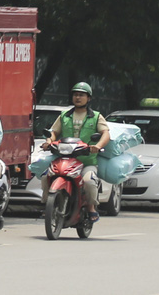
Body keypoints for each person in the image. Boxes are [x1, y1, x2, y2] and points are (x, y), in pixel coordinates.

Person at [50, 83, 111, 223]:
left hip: (87, 161)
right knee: (47, 175)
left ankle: (91, 208)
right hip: (65, 159)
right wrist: (49, 141)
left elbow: (105, 134)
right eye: (75, 94)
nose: (78, 97)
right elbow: (54, 132)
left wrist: (98, 145)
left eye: (82, 95)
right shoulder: (65, 115)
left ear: (88, 98)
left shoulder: (96, 116)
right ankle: (49, 204)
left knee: (89, 182)